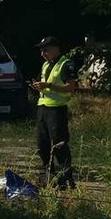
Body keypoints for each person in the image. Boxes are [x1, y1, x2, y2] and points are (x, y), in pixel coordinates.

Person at [31, 36, 79, 189]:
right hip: (43, 108)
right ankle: (49, 176)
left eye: (46, 50)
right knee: (42, 145)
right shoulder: (46, 65)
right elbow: (42, 83)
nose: (43, 53)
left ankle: (67, 179)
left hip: (57, 109)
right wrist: (36, 86)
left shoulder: (66, 64)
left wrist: (49, 85)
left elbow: (71, 87)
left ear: (56, 48)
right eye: (41, 50)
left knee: (59, 145)